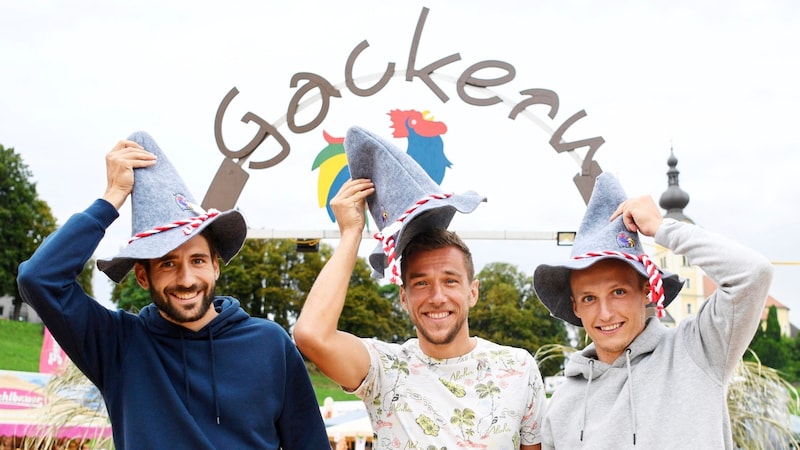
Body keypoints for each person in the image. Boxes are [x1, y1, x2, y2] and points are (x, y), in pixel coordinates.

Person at [16, 132, 330, 449]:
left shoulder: (270, 343)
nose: (186, 278)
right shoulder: (118, 345)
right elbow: (39, 277)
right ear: (142, 276)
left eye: (197, 260)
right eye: (167, 263)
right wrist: (111, 198)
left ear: (216, 266)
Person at [294, 126, 546, 450]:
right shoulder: (383, 369)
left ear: (473, 292)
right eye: (421, 283)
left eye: (450, 281)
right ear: (404, 297)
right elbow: (311, 335)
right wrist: (351, 234)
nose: (437, 297)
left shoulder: (518, 367)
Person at [532, 172, 773, 449]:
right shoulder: (562, 404)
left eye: (618, 292)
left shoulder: (699, 350)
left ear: (646, 290)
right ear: (575, 306)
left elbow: (754, 273)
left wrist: (662, 228)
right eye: (589, 298)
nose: (606, 313)